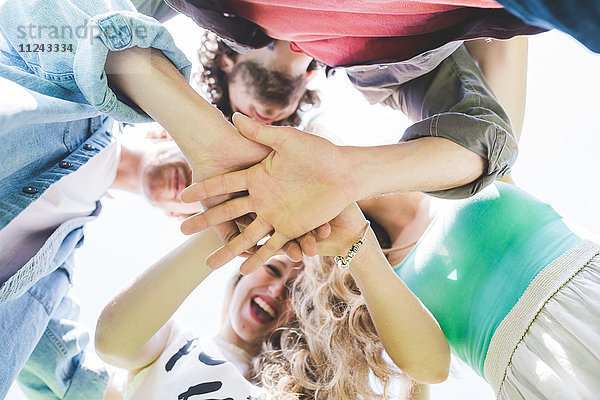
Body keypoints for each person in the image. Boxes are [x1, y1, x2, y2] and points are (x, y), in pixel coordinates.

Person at [349, 182, 600, 399]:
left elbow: (498, 133)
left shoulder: (456, 162)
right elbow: (432, 368)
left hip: (587, 291)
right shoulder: (380, 270)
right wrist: (357, 249)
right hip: (534, 372)